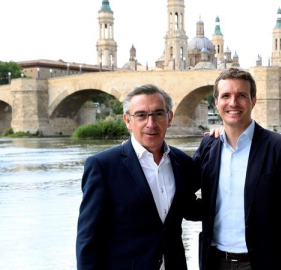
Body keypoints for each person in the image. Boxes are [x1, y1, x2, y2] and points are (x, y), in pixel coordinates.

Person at [194, 68, 281, 270]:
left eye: (241, 96)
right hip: (214, 261)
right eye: (226, 96)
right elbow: (183, 191)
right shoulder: (208, 146)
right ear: (216, 102)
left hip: (262, 263)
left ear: (253, 100)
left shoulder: (279, 148)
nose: (233, 103)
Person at [76, 84, 200, 270]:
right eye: (141, 115)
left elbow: (191, 209)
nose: (151, 123)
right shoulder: (103, 166)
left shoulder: (182, 163)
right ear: (127, 120)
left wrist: (217, 142)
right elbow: (88, 239)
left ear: (169, 118)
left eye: (158, 113)